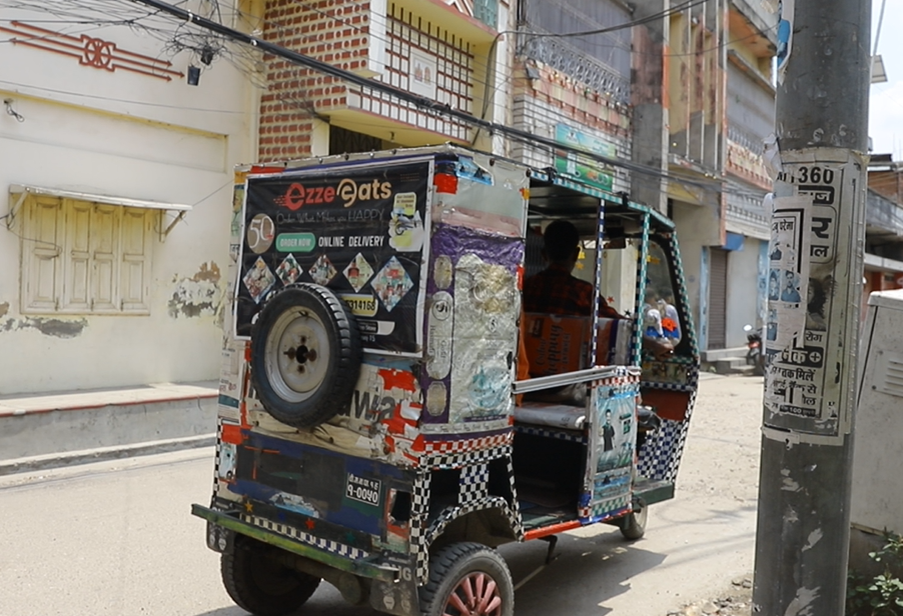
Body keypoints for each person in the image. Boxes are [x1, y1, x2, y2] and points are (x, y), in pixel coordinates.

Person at [523, 220, 618, 317]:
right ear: (576, 254)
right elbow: (618, 324)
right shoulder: (583, 292)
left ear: (543, 254)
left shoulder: (526, 287)